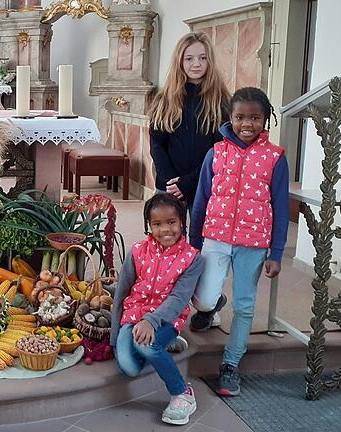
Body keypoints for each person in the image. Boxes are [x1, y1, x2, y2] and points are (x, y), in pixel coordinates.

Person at [189, 87, 289, 396]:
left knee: (245, 306)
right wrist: (194, 240)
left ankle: (230, 365)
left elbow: (281, 206)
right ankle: (213, 305)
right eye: (240, 117)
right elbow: (202, 197)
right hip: (215, 238)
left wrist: (277, 252)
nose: (247, 124)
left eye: (255, 118)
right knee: (202, 298)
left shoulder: (275, 158)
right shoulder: (216, 152)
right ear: (230, 118)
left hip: (254, 243)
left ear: (265, 119)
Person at [110, 193, 204, 426]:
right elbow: (121, 293)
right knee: (128, 367)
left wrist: (151, 321)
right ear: (148, 226)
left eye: (172, 222)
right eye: (157, 224)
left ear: (182, 222)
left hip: (166, 319)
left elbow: (179, 299)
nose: (166, 230)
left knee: (147, 346)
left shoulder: (192, 258)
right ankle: (164, 345)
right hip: (132, 315)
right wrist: (115, 336)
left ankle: (182, 393)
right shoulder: (137, 251)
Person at [148, 32, 230, 210]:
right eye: (189, 58)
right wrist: (172, 182)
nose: (196, 64)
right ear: (180, 61)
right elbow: (156, 144)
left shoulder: (221, 101)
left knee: (201, 237)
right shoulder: (165, 99)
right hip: (169, 185)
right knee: (167, 235)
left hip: (204, 182)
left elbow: (220, 150)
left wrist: (188, 182)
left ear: (210, 61)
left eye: (203, 58)